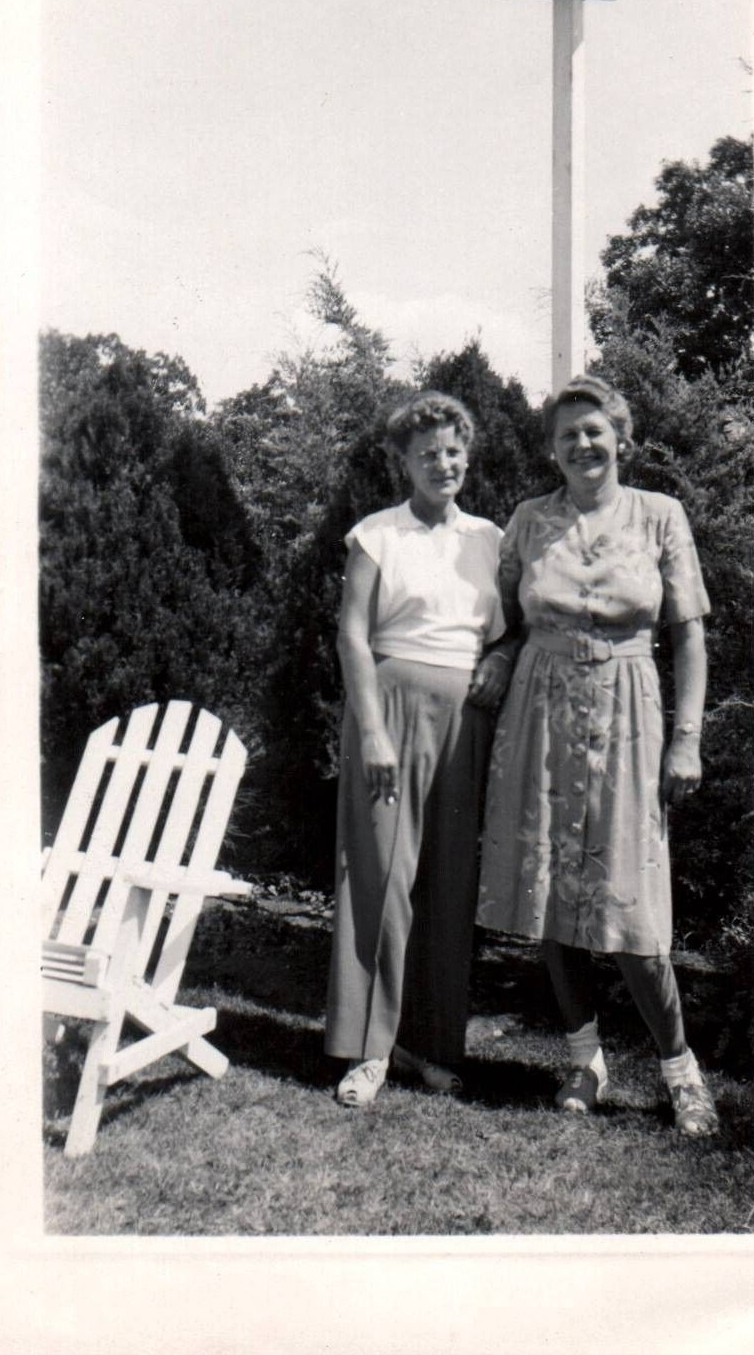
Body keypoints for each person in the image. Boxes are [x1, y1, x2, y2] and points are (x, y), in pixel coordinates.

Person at [477, 375, 720, 1137]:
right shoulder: (527, 520)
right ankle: (584, 1058)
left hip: (628, 711)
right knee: (551, 891)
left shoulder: (659, 517)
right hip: (540, 713)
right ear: (550, 449)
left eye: (593, 431)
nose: (581, 445)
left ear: (619, 438)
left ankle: (679, 1070)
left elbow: (687, 634)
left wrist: (686, 738)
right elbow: (499, 616)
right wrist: (498, 655)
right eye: (565, 435)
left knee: (630, 906)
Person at [324, 391, 511, 1107]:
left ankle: (429, 1047)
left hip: (465, 718)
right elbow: (351, 634)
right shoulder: (376, 535)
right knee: (379, 876)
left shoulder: (490, 539)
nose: (443, 463)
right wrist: (371, 730)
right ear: (403, 461)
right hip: (391, 709)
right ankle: (369, 1050)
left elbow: (510, 628)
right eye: (427, 452)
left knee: (447, 882)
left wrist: (500, 658)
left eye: (453, 450)